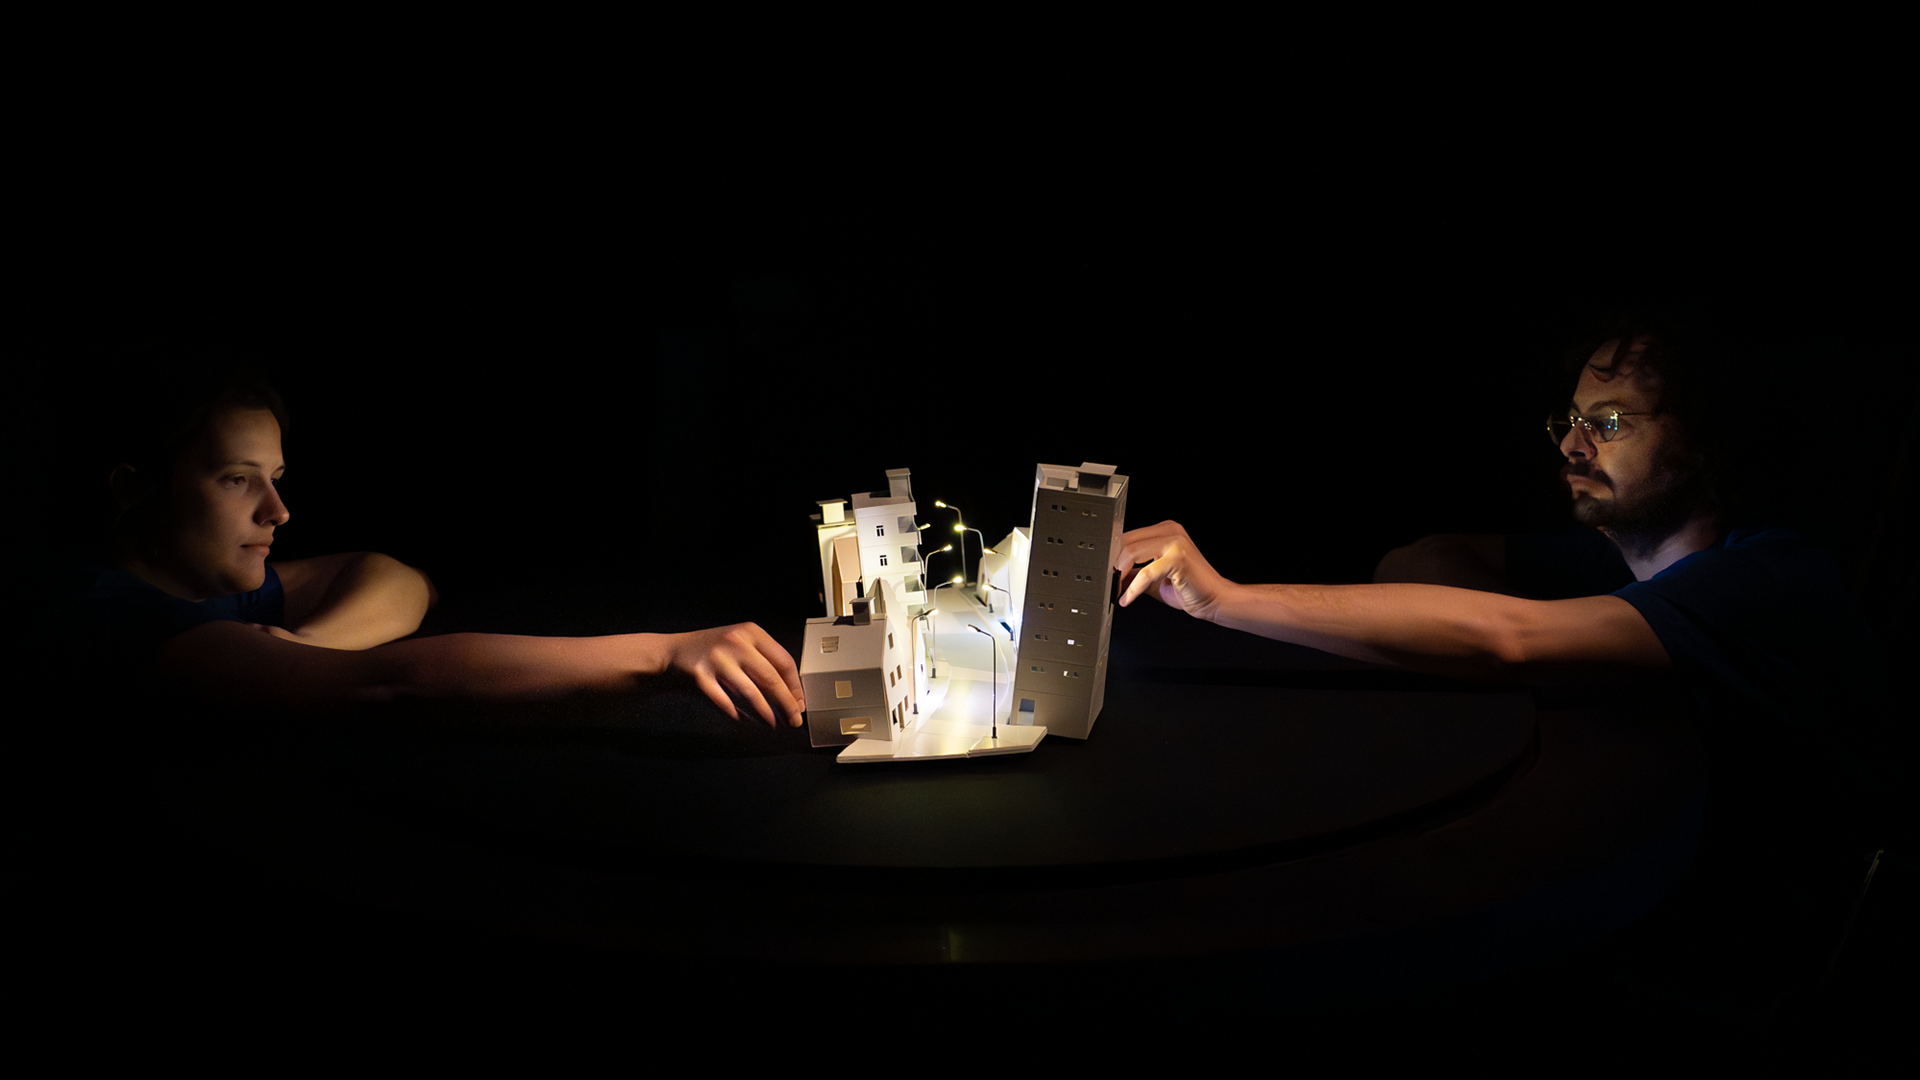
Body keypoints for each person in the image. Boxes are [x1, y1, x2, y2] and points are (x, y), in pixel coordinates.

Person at [71, 371, 806, 727]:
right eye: (237, 480)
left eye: (276, 479)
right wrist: (662, 652)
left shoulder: (207, 592)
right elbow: (398, 680)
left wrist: (309, 646)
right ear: (134, 488)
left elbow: (394, 578)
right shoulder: (125, 624)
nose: (277, 511)